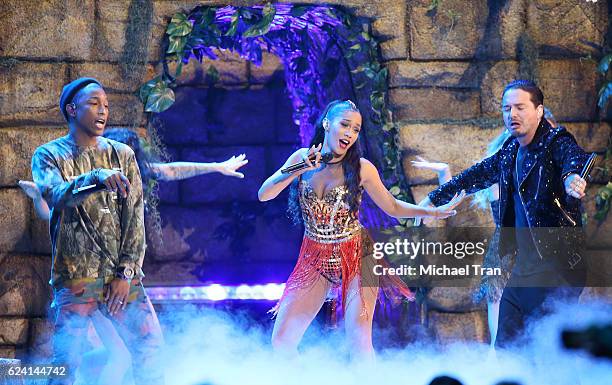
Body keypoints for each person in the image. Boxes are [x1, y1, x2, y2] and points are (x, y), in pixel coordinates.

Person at [258, 99, 465, 359]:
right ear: (326, 123)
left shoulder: (362, 168)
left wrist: (431, 211)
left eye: (355, 130)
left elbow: (392, 206)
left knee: (359, 344)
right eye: (345, 125)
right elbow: (264, 194)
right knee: (282, 341)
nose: (349, 134)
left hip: (358, 255)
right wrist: (298, 168)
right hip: (314, 256)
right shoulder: (301, 158)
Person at [415, 80, 589, 348]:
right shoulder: (510, 150)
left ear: (539, 110)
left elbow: (572, 159)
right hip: (522, 270)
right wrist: (432, 198)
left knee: (547, 354)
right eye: (507, 108)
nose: (512, 114)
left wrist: (571, 178)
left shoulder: (556, 141)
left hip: (557, 269)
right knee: (506, 348)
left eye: (520, 107)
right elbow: (476, 175)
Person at [32, 77, 164, 384]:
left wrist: (126, 273)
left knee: (150, 349)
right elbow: (55, 195)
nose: (103, 110)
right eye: (94, 103)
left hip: (120, 276)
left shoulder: (123, 155)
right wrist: (96, 177)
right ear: (72, 109)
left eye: (106, 104)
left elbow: (134, 217)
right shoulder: (49, 154)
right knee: (67, 360)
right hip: (77, 274)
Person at [20, 127, 249, 222]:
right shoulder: (90, 177)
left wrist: (216, 166)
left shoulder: (138, 171)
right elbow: (53, 214)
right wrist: (40, 195)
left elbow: (172, 170)